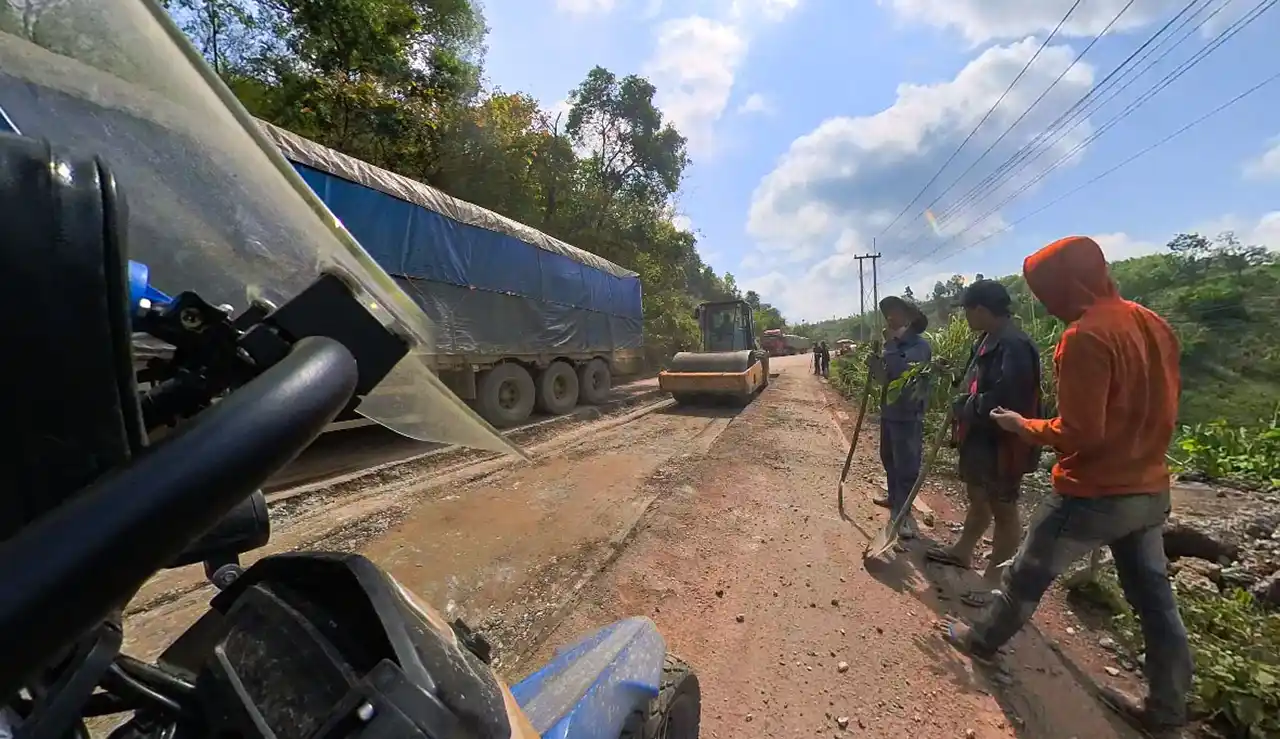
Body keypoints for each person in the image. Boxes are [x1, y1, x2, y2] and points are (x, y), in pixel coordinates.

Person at [940, 237, 1192, 738]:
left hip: (1095, 488)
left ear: (1066, 283)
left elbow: (1080, 433)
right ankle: (1167, 711)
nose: (1044, 302)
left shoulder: (1083, 337)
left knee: (1027, 573)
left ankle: (982, 639)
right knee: (1156, 605)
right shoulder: (1150, 321)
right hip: (1149, 486)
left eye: (1045, 289)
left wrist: (1021, 425)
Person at [925, 280, 1042, 607]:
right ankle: (963, 551)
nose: (965, 317)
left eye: (966, 310)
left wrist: (966, 406)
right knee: (977, 497)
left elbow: (1009, 398)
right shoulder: (986, 341)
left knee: (1004, 508)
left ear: (980, 309)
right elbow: (973, 383)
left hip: (1003, 444)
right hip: (979, 439)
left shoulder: (1014, 345)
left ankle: (996, 580)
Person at [867, 296, 931, 538]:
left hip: (908, 415)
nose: (890, 317)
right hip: (890, 413)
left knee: (906, 465)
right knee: (888, 457)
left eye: (895, 312)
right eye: (888, 313)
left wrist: (890, 348)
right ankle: (894, 499)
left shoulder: (918, 346)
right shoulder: (891, 345)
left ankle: (903, 514)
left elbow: (904, 374)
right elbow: (886, 380)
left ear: (910, 317)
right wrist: (875, 365)